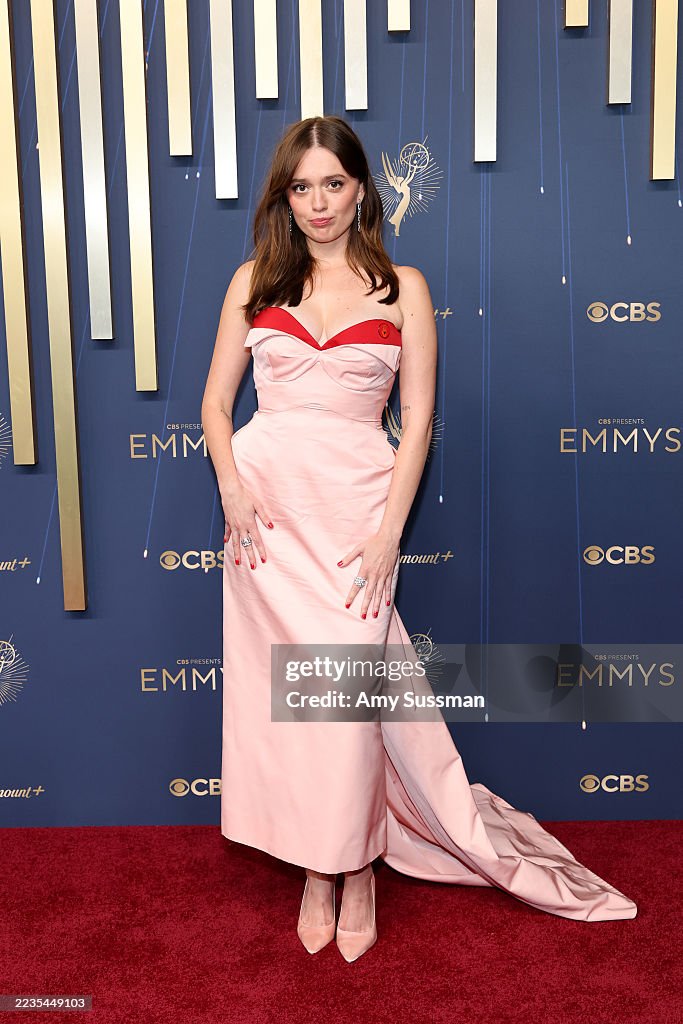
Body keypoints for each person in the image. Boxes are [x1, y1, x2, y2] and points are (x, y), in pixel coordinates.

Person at [201, 115, 637, 963]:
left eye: (334, 184)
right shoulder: (252, 281)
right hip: (267, 520)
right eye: (301, 187)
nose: (319, 203)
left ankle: (357, 867)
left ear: (362, 189)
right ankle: (317, 868)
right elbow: (218, 407)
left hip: (356, 519)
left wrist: (389, 535)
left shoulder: (403, 286)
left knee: (348, 703)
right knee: (294, 709)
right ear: (283, 199)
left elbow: (421, 419)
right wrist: (231, 486)